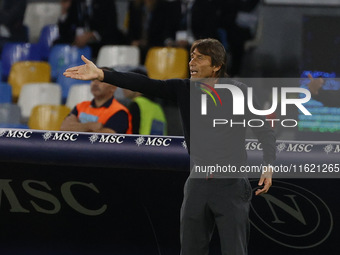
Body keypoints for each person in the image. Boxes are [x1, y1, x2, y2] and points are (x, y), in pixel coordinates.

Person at [64, 38, 276, 255]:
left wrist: (268, 165)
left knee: (235, 250)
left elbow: (265, 132)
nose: (192, 62)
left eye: (199, 57)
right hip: (197, 184)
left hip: (231, 185)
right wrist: (102, 74)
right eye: (191, 56)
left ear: (217, 66)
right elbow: (144, 83)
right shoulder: (183, 89)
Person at [61, 68, 132, 134]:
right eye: (93, 79)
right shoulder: (80, 106)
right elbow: (64, 128)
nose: (95, 83)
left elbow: (105, 138)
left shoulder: (120, 111)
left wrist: (77, 126)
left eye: (100, 80)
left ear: (113, 87)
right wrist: (89, 126)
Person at [55, 0, 126, 57]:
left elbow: (111, 27)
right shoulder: (76, 3)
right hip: (79, 46)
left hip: (101, 44)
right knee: (57, 44)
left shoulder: (106, 2)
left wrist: (92, 35)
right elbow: (64, 32)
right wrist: (64, 12)